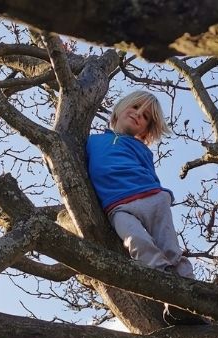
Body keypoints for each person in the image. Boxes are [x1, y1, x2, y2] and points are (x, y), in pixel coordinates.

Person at [86, 90, 206, 326]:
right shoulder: (92, 141)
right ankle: (169, 292)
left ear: (146, 130)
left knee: (169, 246)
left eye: (146, 117)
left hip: (151, 197)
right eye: (135, 107)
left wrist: (163, 196)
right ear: (119, 109)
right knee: (139, 244)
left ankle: (193, 295)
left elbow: (150, 174)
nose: (138, 114)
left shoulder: (142, 149)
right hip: (118, 206)